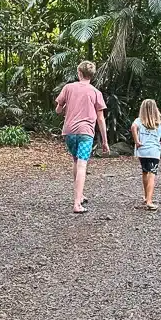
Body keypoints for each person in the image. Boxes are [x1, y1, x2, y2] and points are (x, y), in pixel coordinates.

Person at [55, 61, 109, 214]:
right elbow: (101, 118)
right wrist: (104, 141)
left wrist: (67, 107)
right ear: (92, 75)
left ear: (79, 73)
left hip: (69, 132)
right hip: (86, 133)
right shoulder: (95, 92)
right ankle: (77, 203)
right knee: (82, 165)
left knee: (76, 161)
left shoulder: (68, 88)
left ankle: (80, 195)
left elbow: (58, 110)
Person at [130, 99, 161, 210]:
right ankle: (149, 200)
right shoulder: (159, 124)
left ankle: (146, 196)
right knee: (152, 174)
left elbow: (133, 127)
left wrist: (137, 141)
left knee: (145, 172)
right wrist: (160, 144)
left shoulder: (139, 121)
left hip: (142, 151)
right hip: (154, 152)